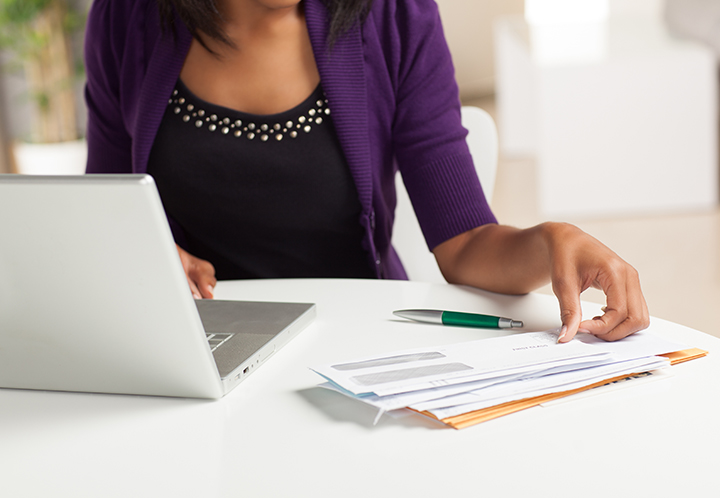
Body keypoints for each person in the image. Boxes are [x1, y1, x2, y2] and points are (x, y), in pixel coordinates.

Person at [84, 0, 649, 343]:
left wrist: (554, 240)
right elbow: (99, 217)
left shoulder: (396, 18)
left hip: (353, 345)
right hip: (192, 344)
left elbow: (467, 242)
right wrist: (146, 254)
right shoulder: (126, 20)